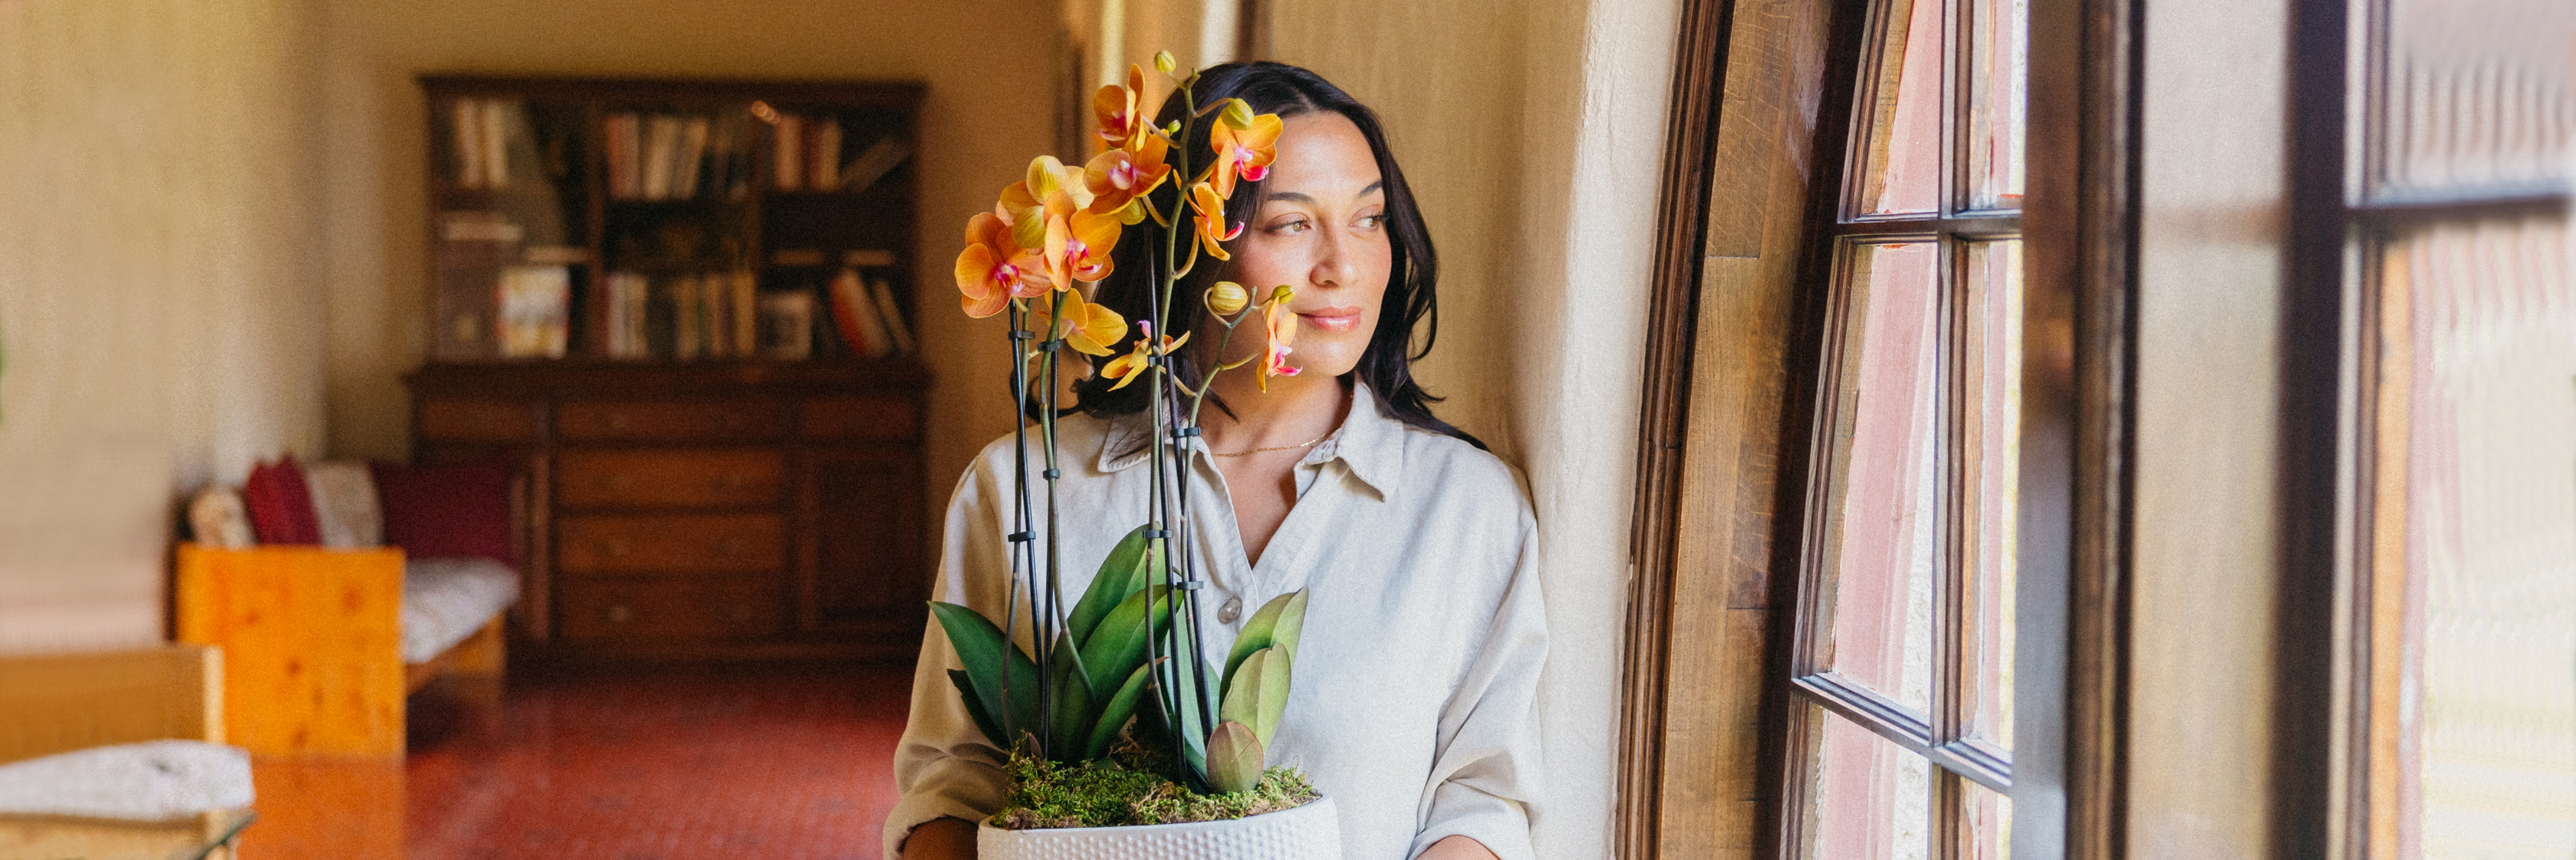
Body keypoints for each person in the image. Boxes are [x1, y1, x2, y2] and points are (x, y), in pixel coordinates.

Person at [887, 61, 1545, 860]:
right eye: (1290, 224)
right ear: (1188, 242)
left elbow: (1481, 796)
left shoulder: (1465, 508)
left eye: (1368, 220)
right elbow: (950, 782)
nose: (1342, 265)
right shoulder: (1019, 489)